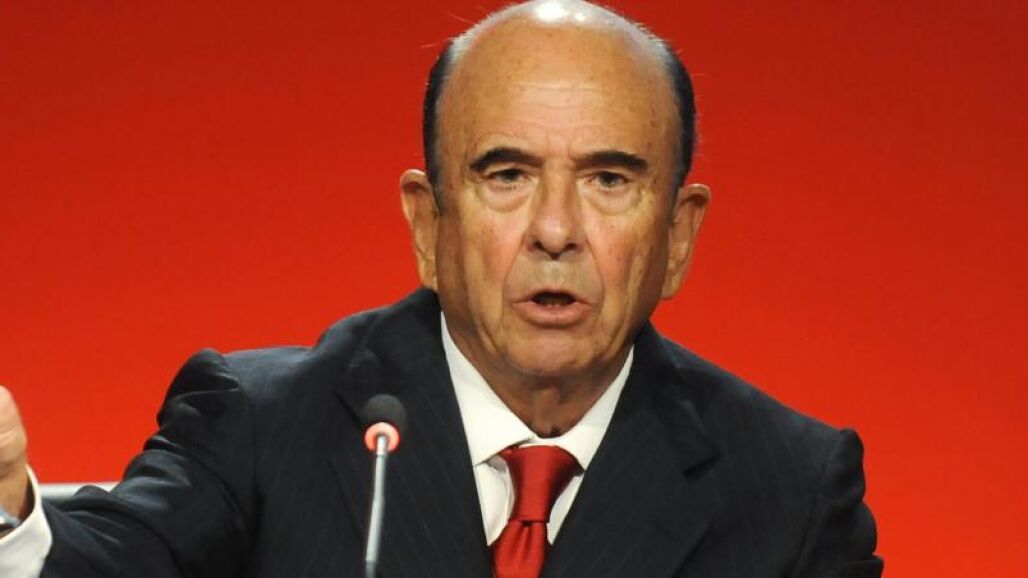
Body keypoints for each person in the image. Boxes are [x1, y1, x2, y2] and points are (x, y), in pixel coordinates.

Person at [0, 1, 883, 576]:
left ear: (679, 236)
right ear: (428, 224)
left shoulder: (793, 490)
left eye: (609, 179)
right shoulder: (261, 427)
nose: (555, 229)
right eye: (507, 175)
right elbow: (101, 564)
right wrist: (7, 507)